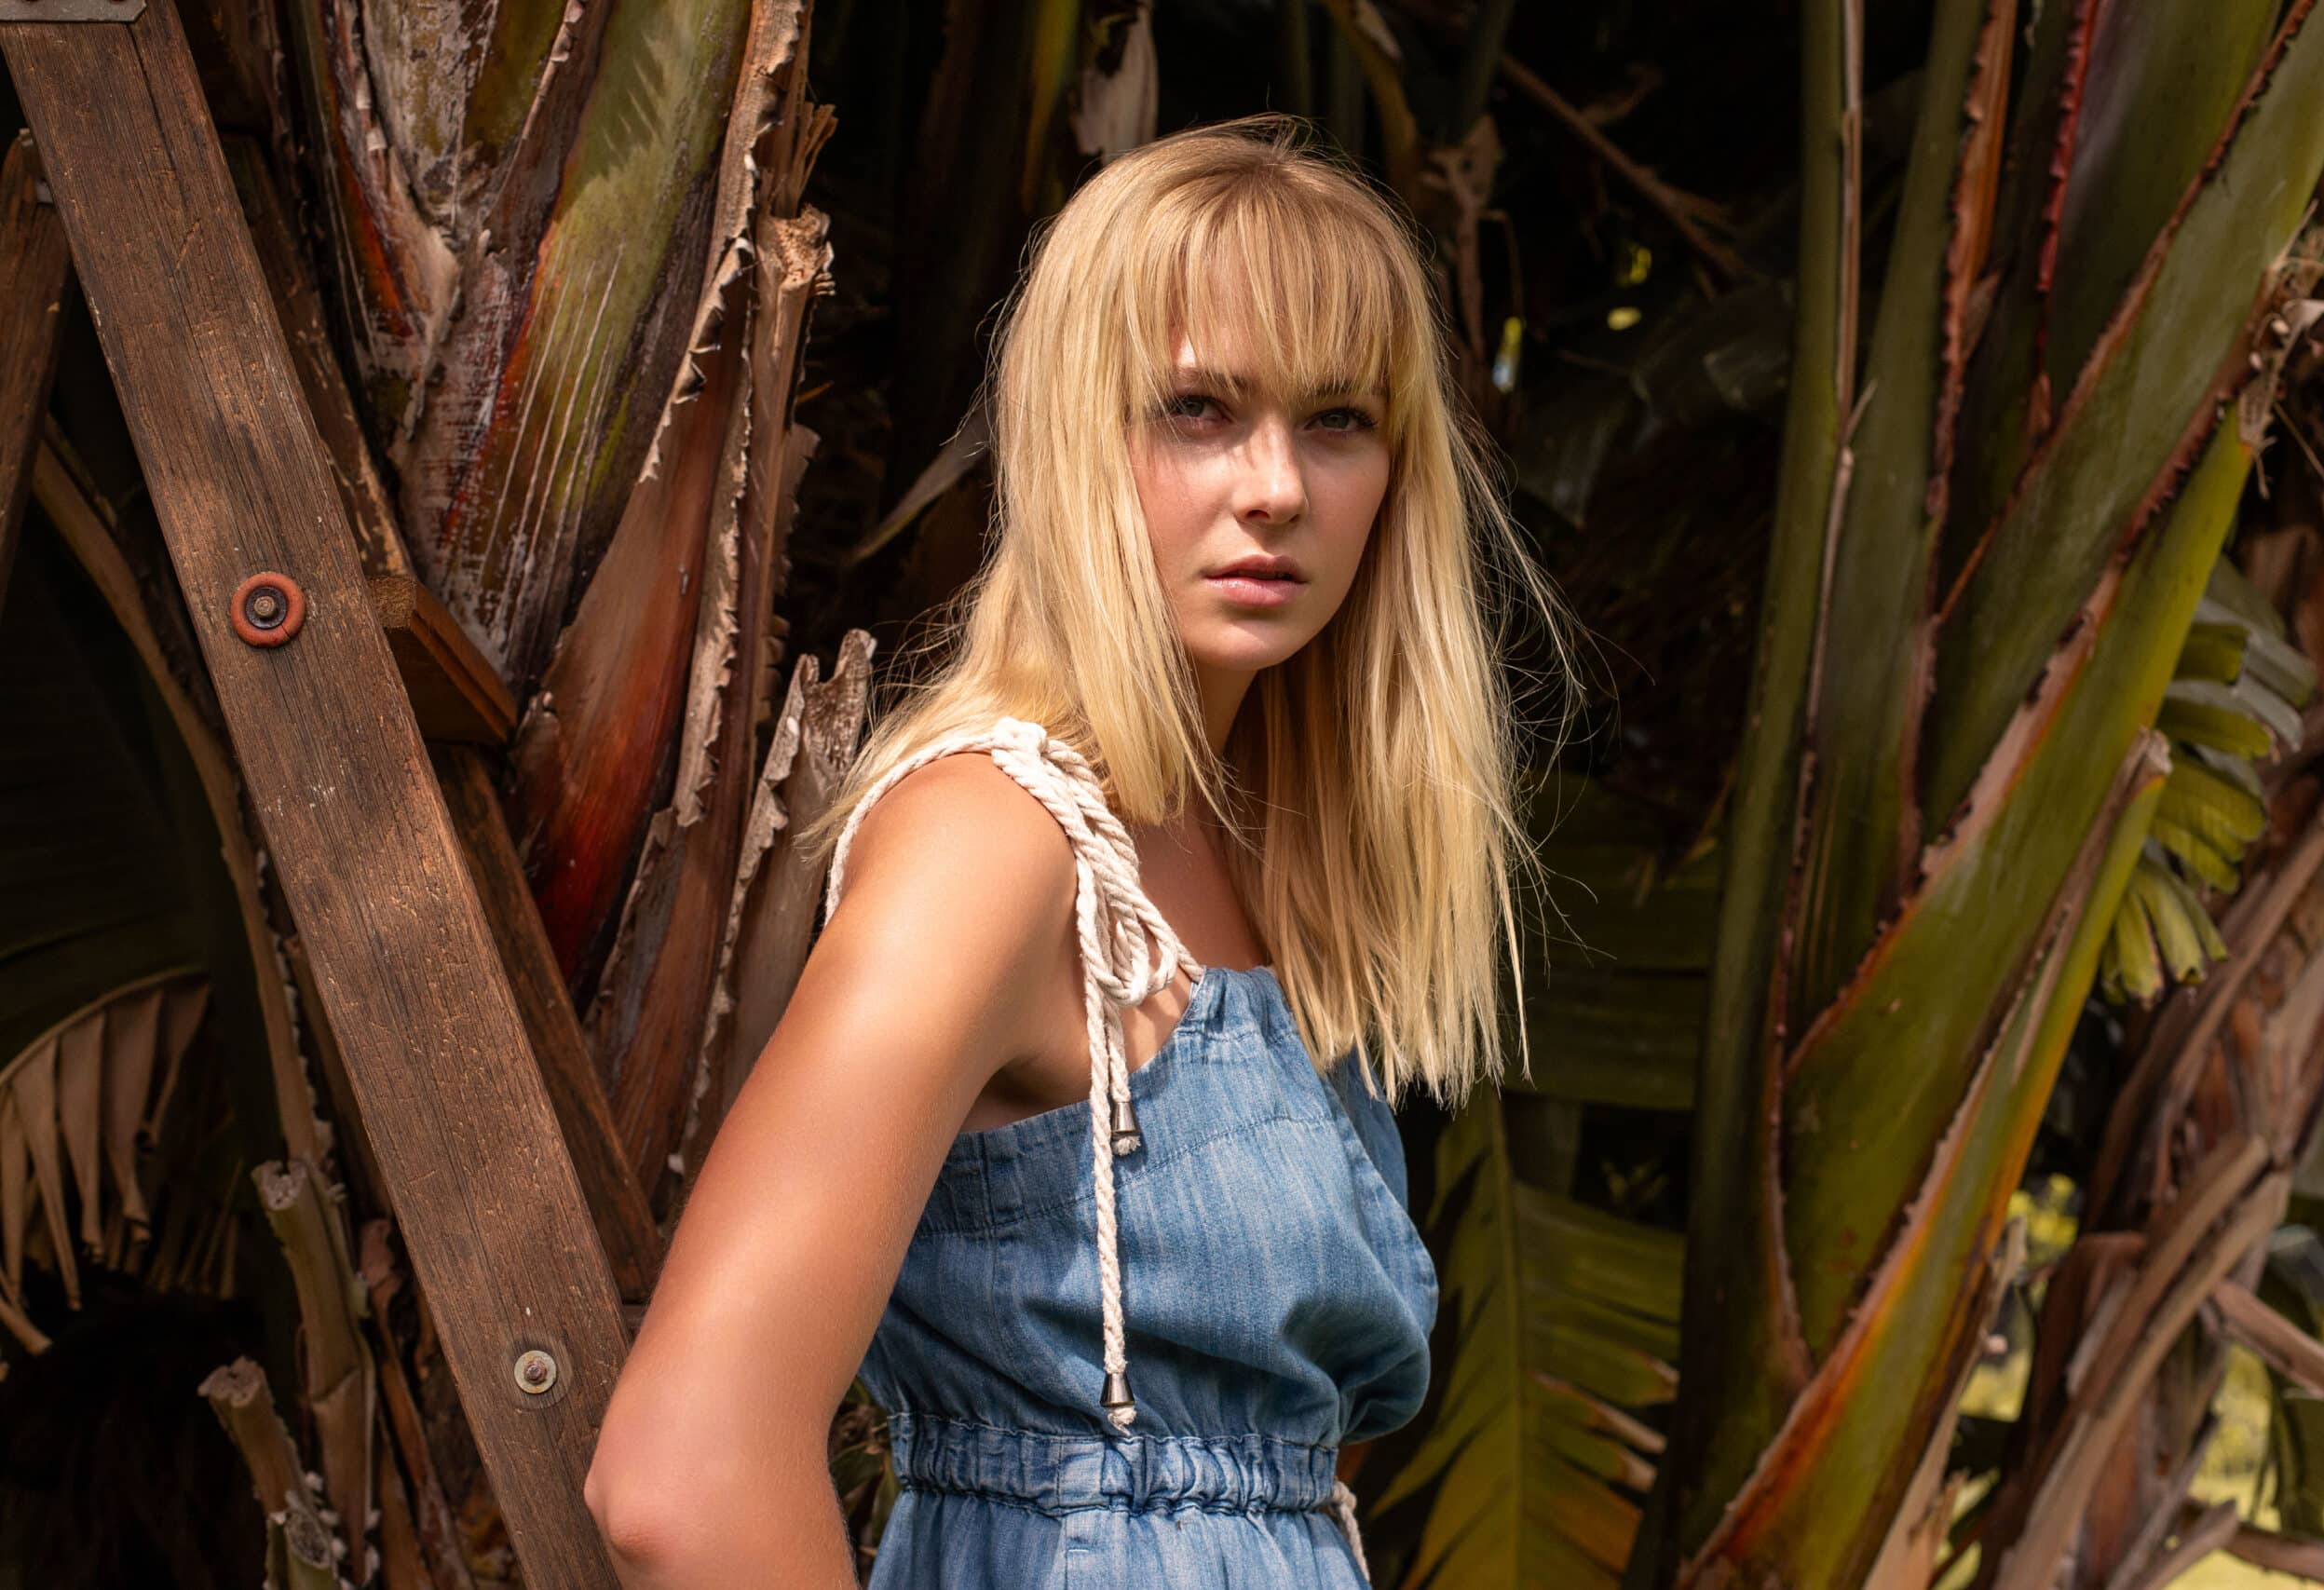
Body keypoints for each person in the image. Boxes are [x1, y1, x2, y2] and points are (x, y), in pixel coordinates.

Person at [582, 112, 1582, 1588]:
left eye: (1337, 420)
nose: (1276, 488)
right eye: (1197, 409)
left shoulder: (1270, 866)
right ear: (1071, 428)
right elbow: (684, 1472)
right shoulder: (999, 840)